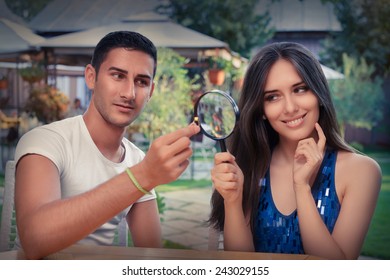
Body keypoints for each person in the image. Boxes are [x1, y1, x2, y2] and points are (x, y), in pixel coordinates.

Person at [14, 31, 200, 259]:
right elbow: (34, 240)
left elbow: (153, 254)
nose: (129, 93)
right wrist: (143, 175)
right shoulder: (46, 140)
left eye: (141, 82)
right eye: (118, 76)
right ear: (92, 77)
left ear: (150, 92)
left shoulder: (137, 160)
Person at [209, 42, 382, 259]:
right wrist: (232, 201)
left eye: (300, 89)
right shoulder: (253, 164)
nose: (290, 107)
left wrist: (301, 187)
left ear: (319, 93)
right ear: (261, 109)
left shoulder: (362, 171)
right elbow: (242, 265)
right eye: (272, 97)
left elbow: (336, 270)